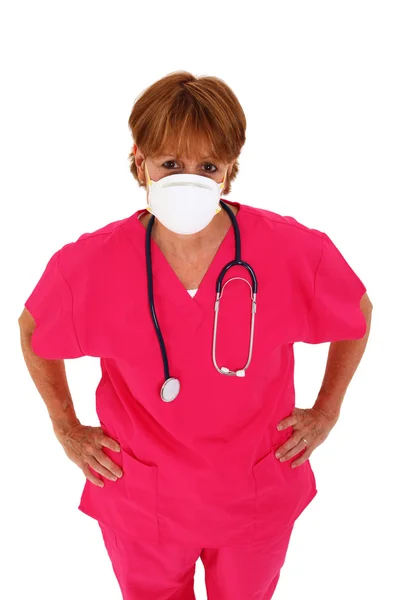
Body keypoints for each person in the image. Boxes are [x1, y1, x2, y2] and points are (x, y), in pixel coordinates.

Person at [19, 71, 373, 600]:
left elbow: (358, 312)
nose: (189, 179)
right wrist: (66, 426)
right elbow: (33, 329)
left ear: (230, 168)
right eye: (170, 164)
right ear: (139, 160)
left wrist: (327, 411)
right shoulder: (92, 263)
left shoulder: (291, 250)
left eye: (207, 166)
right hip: (142, 498)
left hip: (253, 494)